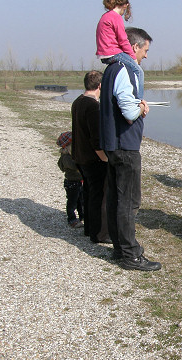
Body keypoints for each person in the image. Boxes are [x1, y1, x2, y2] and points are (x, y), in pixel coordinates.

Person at [100, 27, 160, 271]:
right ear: (134, 47)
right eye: (145, 50)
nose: (146, 56)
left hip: (114, 145)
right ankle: (130, 255)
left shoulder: (111, 68)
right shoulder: (125, 69)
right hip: (125, 146)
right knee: (129, 201)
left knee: (115, 199)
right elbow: (128, 111)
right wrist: (142, 108)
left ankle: (119, 248)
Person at [71, 70, 110, 244]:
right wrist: (105, 158)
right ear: (100, 85)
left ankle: (89, 228)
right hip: (92, 159)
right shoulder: (93, 106)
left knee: (88, 193)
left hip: (80, 157)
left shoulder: (77, 101)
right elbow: (96, 139)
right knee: (99, 196)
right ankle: (99, 234)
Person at [96, 0, 144, 99]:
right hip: (113, 52)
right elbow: (123, 40)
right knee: (138, 71)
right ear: (125, 5)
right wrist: (132, 56)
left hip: (104, 53)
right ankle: (138, 99)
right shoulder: (115, 16)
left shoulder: (105, 16)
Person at [56, 131, 84, 228]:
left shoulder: (71, 156)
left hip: (79, 182)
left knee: (81, 200)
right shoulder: (66, 158)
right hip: (72, 183)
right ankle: (72, 219)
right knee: (72, 202)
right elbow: (74, 166)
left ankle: (82, 216)